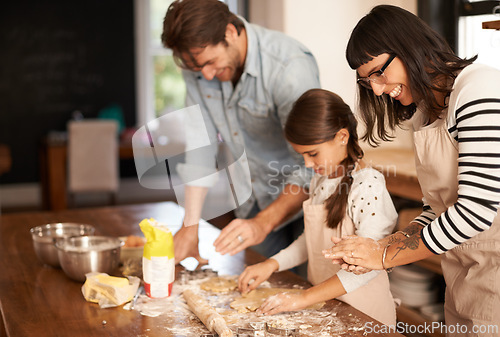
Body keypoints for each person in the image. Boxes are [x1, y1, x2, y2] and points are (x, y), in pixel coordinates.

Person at [323, 5, 500, 336]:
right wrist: (381, 245)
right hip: (461, 272)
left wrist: (384, 255)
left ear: (408, 47)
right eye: (366, 81)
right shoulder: (423, 114)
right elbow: (436, 209)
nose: (376, 89)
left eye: (378, 73)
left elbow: (476, 211)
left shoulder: (479, 89)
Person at [161, 0, 320, 265]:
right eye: (198, 69)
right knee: (261, 294)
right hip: (254, 200)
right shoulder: (199, 68)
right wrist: (190, 226)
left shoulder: (288, 67)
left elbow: (312, 163)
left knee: (309, 294)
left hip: (308, 199)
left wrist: (262, 224)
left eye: (211, 62)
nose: (207, 76)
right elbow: (200, 151)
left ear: (230, 33)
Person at [238, 89, 398, 326]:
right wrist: (270, 264)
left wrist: (303, 298)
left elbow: (369, 265)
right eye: (301, 155)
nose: (307, 164)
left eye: (313, 154)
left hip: (365, 317)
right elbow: (312, 243)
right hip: (328, 309)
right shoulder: (320, 181)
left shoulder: (368, 185)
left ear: (342, 137)